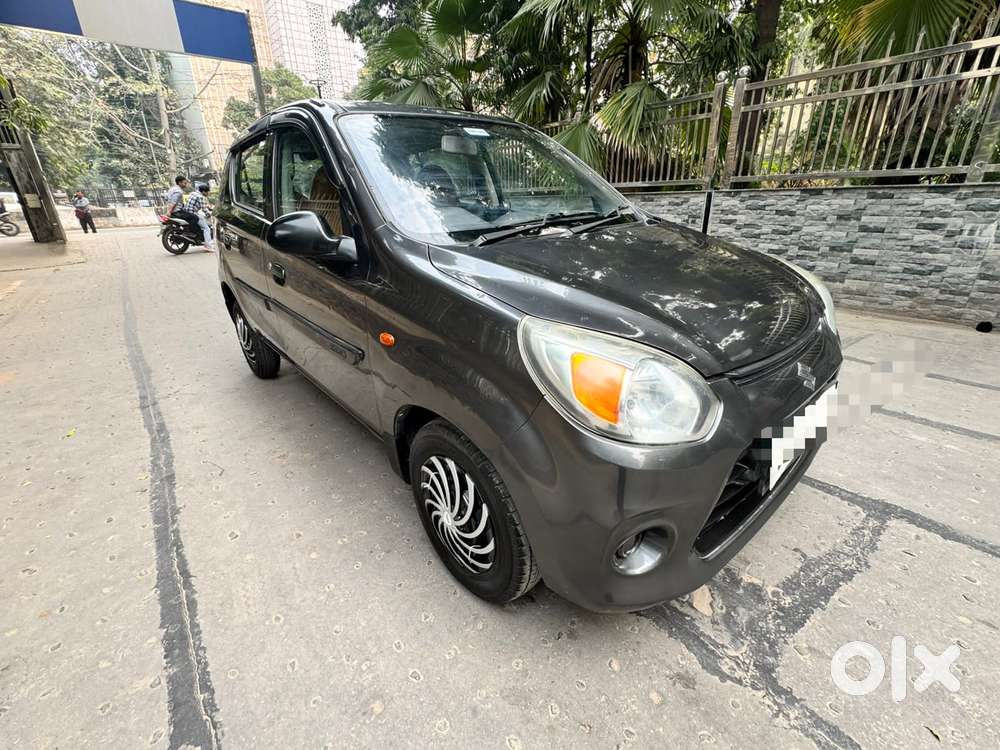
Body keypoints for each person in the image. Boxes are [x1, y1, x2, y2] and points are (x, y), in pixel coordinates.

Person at [184, 182, 215, 252]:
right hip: (193, 214)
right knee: (206, 228)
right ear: (203, 192)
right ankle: (208, 246)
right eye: (207, 192)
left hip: (187, 212)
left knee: (202, 218)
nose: (208, 194)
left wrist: (208, 207)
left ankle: (204, 241)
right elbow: (204, 209)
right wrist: (210, 214)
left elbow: (201, 205)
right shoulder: (200, 197)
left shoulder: (193, 193)